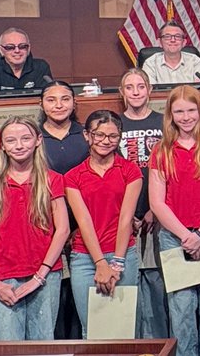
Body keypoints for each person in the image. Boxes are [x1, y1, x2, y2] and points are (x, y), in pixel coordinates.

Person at [149, 86, 200, 356]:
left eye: (191, 110)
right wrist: (187, 236)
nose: (186, 117)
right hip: (175, 238)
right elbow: (157, 202)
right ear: (170, 115)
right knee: (181, 309)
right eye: (179, 111)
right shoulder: (161, 150)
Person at [0, 117, 69, 340]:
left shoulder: (52, 180)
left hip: (44, 275)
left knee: (43, 344)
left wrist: (39, 277)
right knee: (7, 345)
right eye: (11, 140)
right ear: (2, 145)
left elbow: (63, 230)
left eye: (25, 138)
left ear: (38, 140)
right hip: (1, 276)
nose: (19, 145)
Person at [64, 110, 143, 338]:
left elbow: (126, 218)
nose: (105, 141)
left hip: (123, 254)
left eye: (112, 136)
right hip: (85, 258)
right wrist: (100, 263)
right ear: (87, 135)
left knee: (124, 328)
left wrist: (116, 263)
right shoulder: (73, 176)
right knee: (93, 329)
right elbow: (84, 221)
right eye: (99, 135)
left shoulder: (130, 171)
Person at [116, 68, 169, 338]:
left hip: (157, 214)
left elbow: (173, 170)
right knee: (127, 285)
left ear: (150, 90)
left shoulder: (164, 123)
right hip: (124, 216)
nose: (135, 92)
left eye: (140, 86)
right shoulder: (115, 125)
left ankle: (159, 345)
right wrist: (128, 214)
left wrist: (154, 210)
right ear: (122, 92)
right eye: (129, 87)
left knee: (156, 283)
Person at [0, 27, 54, 91]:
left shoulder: (41, 67)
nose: (17, 51)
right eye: (10, 47)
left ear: (28, 48)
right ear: (1, 50)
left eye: (22, 46)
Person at [39, 81, 88, 175]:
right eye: (51, 100)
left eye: (65, 99)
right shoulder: (33, 137)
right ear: (41, 104)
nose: (59, 105)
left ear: (74, 103)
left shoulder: (87, 135)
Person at [142, 20, 200, 85]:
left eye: (177, 36)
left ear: (184, 42)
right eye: (167, 36)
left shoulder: (195, 62)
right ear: (160, 42)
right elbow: (150, 90)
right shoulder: (150, 63)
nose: (173, 40)